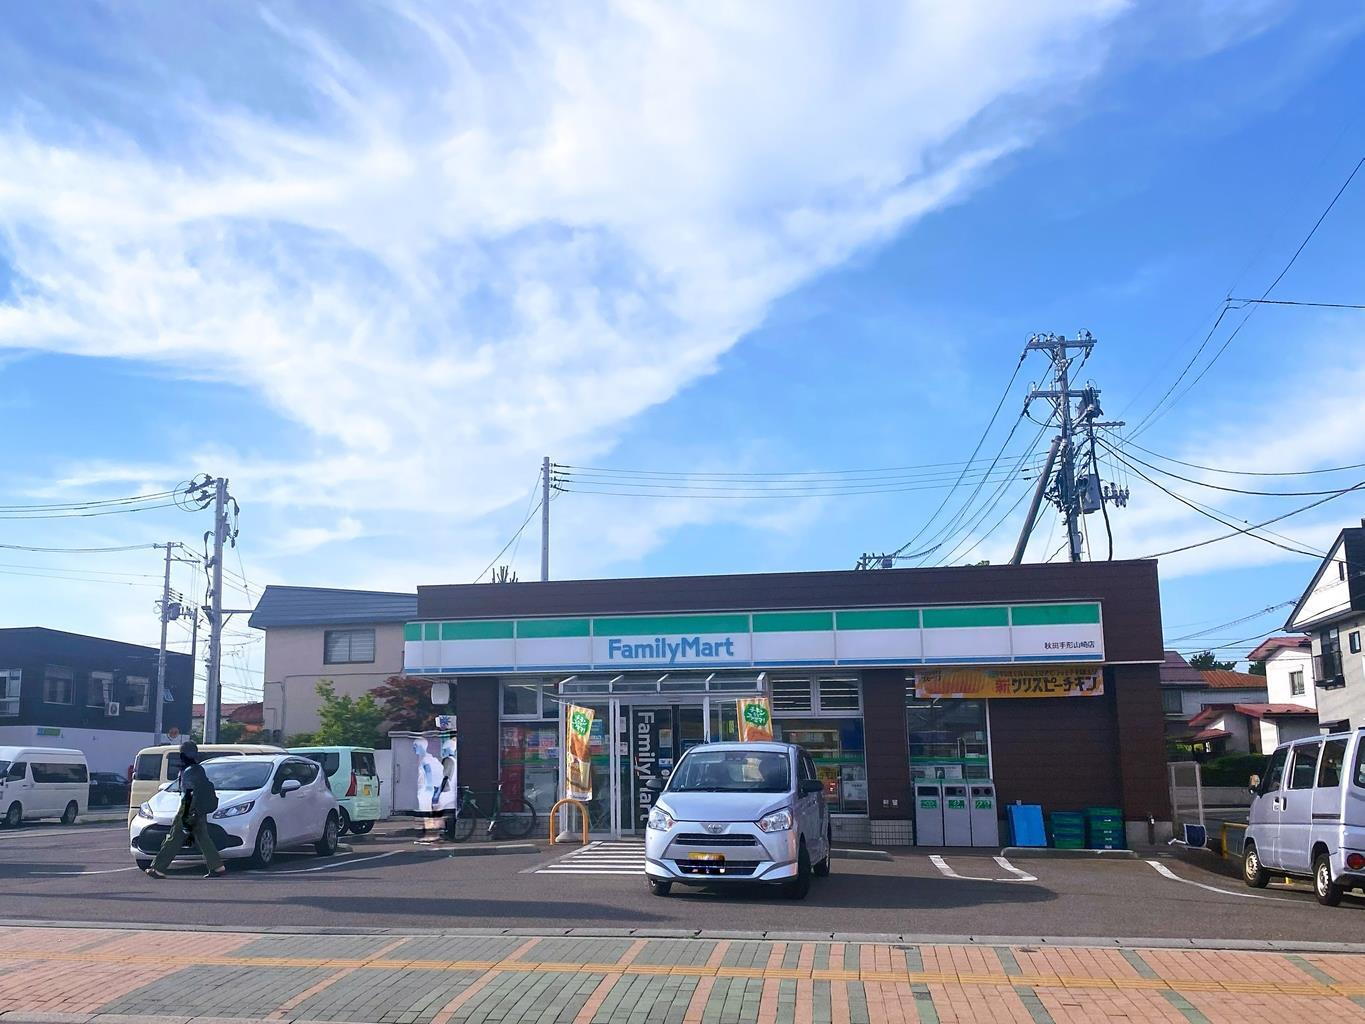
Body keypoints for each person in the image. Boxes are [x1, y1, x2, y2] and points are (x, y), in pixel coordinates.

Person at [146, 740, 225, 879]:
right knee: (202, 837)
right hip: (198, 808)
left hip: (188, 807)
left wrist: (187, 812)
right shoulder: (198, 768)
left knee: (175, 837)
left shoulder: (188, 771)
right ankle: (216, 866)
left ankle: (158, 868)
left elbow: (190, 792)